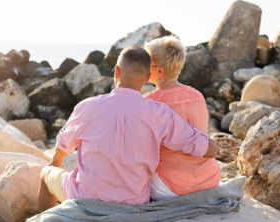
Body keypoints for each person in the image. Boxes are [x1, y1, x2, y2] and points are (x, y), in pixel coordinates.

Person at [36, 47, 220, 210]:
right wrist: (215, 148)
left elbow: (63, 147)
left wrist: (56, 162)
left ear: (116, 72)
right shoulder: (159, 113)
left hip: (87, 197)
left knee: (46, 174)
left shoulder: (87, 107)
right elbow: (195, 143)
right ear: (148, 77)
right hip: (134, 202)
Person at [143, 36, 221, 201]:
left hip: (172, 187)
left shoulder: (150, 102)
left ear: (159, 71)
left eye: (147, 63)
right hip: (209, 180)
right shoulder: (196, 95)